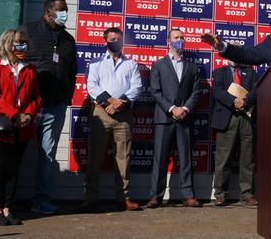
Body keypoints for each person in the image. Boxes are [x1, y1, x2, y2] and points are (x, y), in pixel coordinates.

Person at [22, 0, 77, 215]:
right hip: (29, 106)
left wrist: (66, 97)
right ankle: (7, 202)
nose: (65, 14)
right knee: (16, 153)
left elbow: (72, 71)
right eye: (61, 10)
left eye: (66, 10)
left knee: (47, 155)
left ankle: (41, 200)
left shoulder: (67, 40)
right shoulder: (27, 32)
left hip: (55, 106)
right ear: (48, 12)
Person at [0, 29, 41, 225]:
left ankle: (8, 208)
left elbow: (36, 97)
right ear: (7, 44)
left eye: (24, 42)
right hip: (0, 124)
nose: (23, 45)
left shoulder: (30, 69)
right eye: (18, 42)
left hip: (23, 125)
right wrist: (15, 115)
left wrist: (28, 114)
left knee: (14, 169)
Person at [81, 27, 142, 212]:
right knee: (95, 157)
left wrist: (120, 103)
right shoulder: (95, 63)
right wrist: (109, 101)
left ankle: (123, 198)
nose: (115, 41)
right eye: (112, 39)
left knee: (123, 157)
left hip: (123, 115)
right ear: (105, 41)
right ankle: (91, 197)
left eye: (118, 39)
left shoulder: (131, 64)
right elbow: (91, 85)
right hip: (101, 113)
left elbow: (137, 87)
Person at [146, 29, 202, 208]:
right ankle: (155, 196)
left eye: (182, 37)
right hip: (164, 117)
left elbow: (196, 92)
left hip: (184, 118)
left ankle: (188, 195)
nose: (180, 40)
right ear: (168, 41)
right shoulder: (158, 65)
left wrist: (184, 109)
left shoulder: (192, 67)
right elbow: (155, 91)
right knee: (160, 158)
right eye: (176, 38)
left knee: (185, 158)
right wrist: (172, 109)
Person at [211, 61, 257, 206]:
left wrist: (245, 101)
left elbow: (256, 91)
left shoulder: (250, 72)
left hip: (246, 118)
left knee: (247, 158)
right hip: (226, 117)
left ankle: (247, 193)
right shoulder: (219, 72)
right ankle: (220, 194)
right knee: (223, 158)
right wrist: (234, 101)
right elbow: (217, 91)